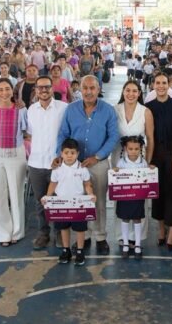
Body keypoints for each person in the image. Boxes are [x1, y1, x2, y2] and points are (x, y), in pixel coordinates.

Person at [56, 75, 119, 254]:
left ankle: (100, 236)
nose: (89, 92)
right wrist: (60, 155)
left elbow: (113, 136)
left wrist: (97, 156)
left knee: (98, 201)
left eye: (92, 88)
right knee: (78, 201)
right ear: (80, 89)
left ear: (98, 89)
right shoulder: (71, 109)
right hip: (74, 165)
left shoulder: (108, 110)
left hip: (98, 163)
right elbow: (63, 133)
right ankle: (84, 237)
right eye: (85, 88)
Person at [146, 73, 172, 250]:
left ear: (169, 84)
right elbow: (148, 135)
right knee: (157, 193)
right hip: (156, 153)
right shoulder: (148, 107)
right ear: (153, 85)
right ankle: (161, 229)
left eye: (164, 83)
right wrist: (148, 159)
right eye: (158, 83)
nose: (161, 86)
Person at [111, 80, 155, 247]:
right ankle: (121, 235)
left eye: (134, 91)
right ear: (123, 92)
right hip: (119, 158)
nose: (131, 94)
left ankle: (137, 237)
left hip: (139, 159)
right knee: (121, 196)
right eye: (128, 90)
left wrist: (148, 162)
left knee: (139, 197)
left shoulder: (146, 111)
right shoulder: (115, 110)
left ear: (139, 93)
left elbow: (150, 138)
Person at [27, 75, 68, 250]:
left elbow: (68, 133)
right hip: (36, 163)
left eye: (47, 87)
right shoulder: (31, 110)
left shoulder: (63, 108)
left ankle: (59, 232)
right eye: (40, 87)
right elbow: (30, 134)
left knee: (58, 199)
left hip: (56, 164)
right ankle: (43, 233)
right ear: (36, 90)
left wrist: (61, 156)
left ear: (52, 89)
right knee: (40, 201)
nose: (44, 90)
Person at [0, 78, 28, 246]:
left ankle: (17, 232)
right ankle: (2, 234)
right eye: (0, 89)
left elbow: (26, 131)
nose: (4, 92)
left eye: (7, 89)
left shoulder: (21, 110)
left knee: (16, 193)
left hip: (16, 154)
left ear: (12, 91)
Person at [44, 138, 96, 266]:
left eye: (72, 153)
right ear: (61, 153)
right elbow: (53, 184)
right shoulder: (57, 169)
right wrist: (47, 197)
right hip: (62, 204)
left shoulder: (82, 169)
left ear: (78, 154)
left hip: (79, 204)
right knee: (64, 227)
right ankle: (66, 250)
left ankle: (80, 251)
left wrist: (91, 195)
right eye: (66, 153)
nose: (69, 156)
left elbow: (87, 184)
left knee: (80, 229)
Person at [114, 135, 149, 260]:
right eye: (130, 149)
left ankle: (138, 244)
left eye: (136, 149)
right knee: (125, 218)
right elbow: (116, 177)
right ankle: (125, 244)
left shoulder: (143, 162)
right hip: (124, 197)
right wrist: (116, 171)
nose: (133, 151)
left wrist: (150, 170)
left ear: (140, 149)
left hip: (138, 197)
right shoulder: (121, 162)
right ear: (125, 148)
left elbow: (147, 177)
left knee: (137, 219)